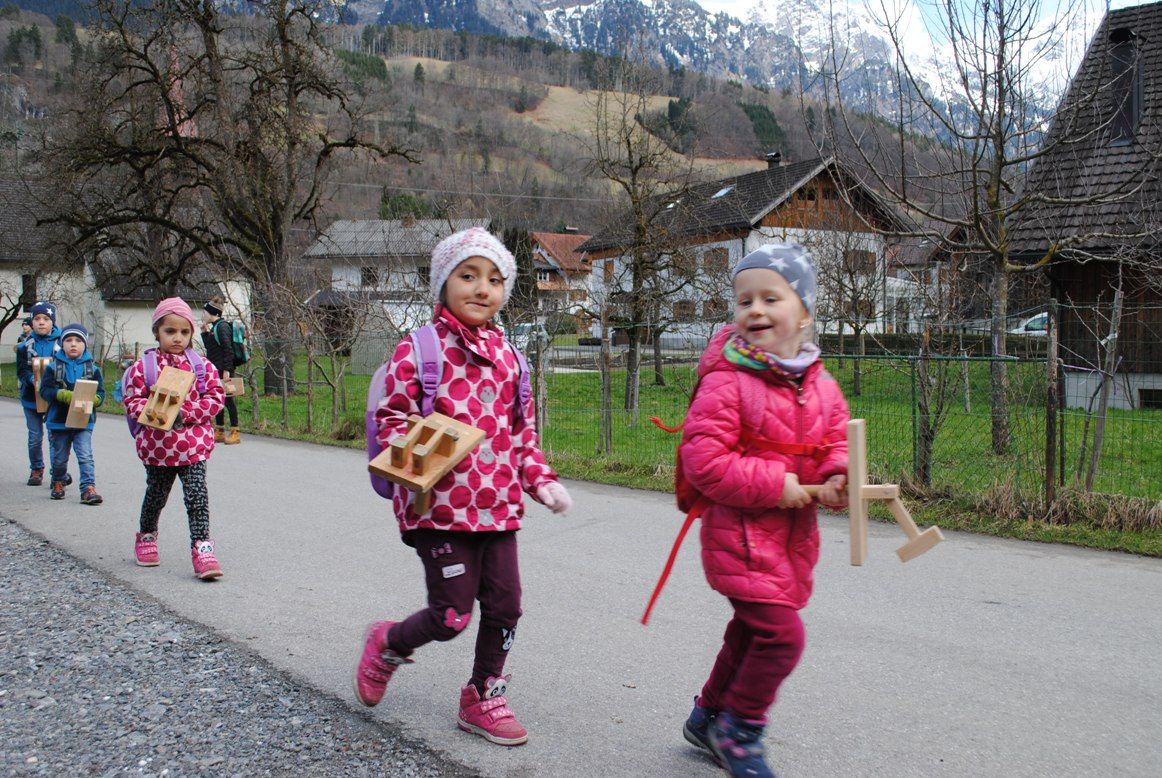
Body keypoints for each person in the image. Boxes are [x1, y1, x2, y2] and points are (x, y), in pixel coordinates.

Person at [353, 227, 573, 747]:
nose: (482, 288)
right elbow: (391, 419)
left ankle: (482, 694)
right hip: (437, 510)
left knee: (506, 607)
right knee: (451, 615)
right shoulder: (418, 350)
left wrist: (541, 481)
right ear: (443, 283)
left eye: (495, 279)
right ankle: (388, 643)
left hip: (499, 511)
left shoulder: (512, 359)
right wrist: (420, 441)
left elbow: (523, 435)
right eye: (468, 275)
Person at [677, 244, 850, 778]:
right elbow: (704, 462)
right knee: (781, 636)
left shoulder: (820, 385)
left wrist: (838, 475)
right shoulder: (727, 380)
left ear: (804, 312)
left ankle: (707, 716)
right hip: (741, 537)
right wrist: (777, 485)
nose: (754, 309)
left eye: (770, 298)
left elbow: (836, 442)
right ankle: (740, 729)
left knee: (750, 633)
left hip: (791, 540)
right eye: (744, 300)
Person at [121, 297, 226, 580]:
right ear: (157, 331)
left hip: (193, 447)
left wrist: (187, 413)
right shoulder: (144, 368)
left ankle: (202, 549)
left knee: (197, 497)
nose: (177, 338)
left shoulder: (202, 366)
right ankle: (146, 535)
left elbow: (215, 397)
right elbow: (132, 400)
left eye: (184, 331)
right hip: (158, 448)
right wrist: (156, 412)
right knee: (156, 495)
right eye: (170, 331)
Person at [40, 323, 105, 505]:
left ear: (85, 344)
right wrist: (60, 394)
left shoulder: (93, 369)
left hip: (84, 421)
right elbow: (44, 391)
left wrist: (96, 400)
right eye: (68, 340)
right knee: (60, 458)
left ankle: (88, 489)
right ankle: (58, 481)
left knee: (85, 456)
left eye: (78, 340)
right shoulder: (53, 368)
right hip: (58, 421)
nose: (73, 344)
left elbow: (101, 392)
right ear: (62, 344)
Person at [16, 302, 62, 487]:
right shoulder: (24, 346)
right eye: (37, 319)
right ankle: (36, 468)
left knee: (54, 436)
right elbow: (21, 371)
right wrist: (31, 379)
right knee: (35, 436)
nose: (41, 322)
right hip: (31, 398)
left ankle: (57, 473)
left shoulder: (62, 343)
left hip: (53, 398)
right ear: (32, 322)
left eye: (46, 319)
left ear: (53, 322)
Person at [200, 295, 240, 445]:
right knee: (218, 400)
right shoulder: (215, 328)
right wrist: (204, 332)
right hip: (216, 370)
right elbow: (211, 348)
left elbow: (228, 349)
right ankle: (220, 431)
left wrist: (227, 370)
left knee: (228, 400)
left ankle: (235, 432)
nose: (203, 315)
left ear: (213, 313)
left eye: (205, 312)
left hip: (224, 370)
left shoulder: (222, 327)